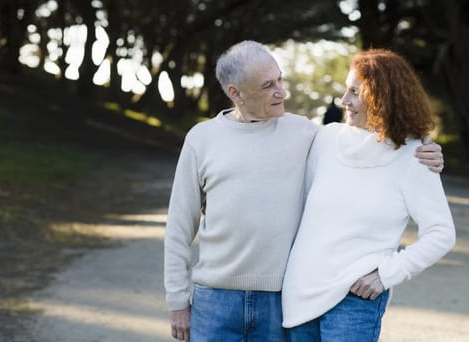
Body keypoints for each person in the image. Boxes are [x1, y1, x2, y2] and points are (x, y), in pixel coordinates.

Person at [164, 41, 444, 342]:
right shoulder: (202, 139)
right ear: (236, 93)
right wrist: (177, 301)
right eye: (268, 85)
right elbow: (180, 226)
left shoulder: (308, 135)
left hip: (278, 300)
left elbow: (376, 134)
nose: (282, 91)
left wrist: (425, 144)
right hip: (214, 299)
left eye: (280, 79)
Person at [282, 49, 456, 341]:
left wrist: (388, 274)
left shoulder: (415, 157)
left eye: (354, 92)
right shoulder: (325, 140)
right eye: (345, 90)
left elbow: (441, 233)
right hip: (299, 292)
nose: (343, 101)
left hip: (355, 298)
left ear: (382, 97)